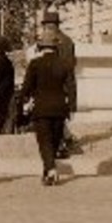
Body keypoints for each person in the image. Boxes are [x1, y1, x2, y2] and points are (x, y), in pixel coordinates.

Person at [19, 25, 75, 186]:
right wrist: (71, 107)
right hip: (59, 108)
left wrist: (23, 101)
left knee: (44, 141)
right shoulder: (64, 64)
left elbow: (26, 87)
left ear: (40, 46)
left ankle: (50, 170)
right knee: (55, 141)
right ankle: (48, 173)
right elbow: (71, 87)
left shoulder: (35, 64)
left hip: (41, 108)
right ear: (56, 47)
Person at [40, 8, 77, 156]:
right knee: (60, 115)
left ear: (49, 25)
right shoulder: (68, 41)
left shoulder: (50, 41)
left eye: (46, 25)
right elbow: (72, 65)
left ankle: (60, 145)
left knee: (53, 117)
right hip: (66, 82)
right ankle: (65, 140)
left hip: (52, 83)